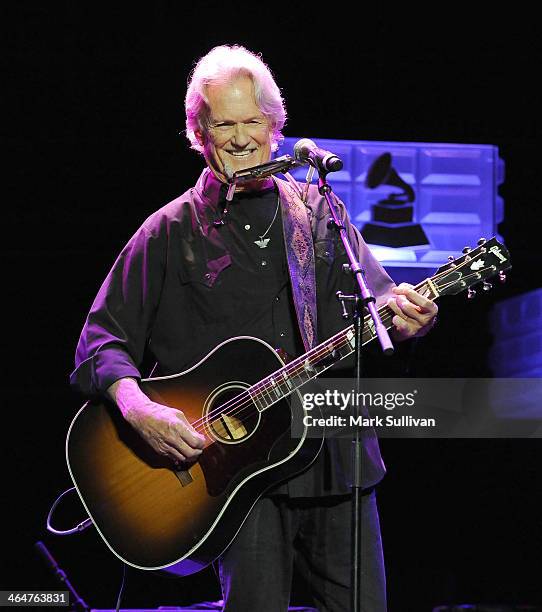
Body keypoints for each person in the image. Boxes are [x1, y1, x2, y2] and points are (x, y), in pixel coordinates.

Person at [70, 44, 438, 612]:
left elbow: (383, 304)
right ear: (199, 132)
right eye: (224, 124)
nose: (242, 138)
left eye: (253, 121)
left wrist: (408, 319)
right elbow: (101, 340)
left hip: (338, 459)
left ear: (274, 126)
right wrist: (140, 409)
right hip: (236, 477)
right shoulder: (169, 231)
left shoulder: (320, 212)